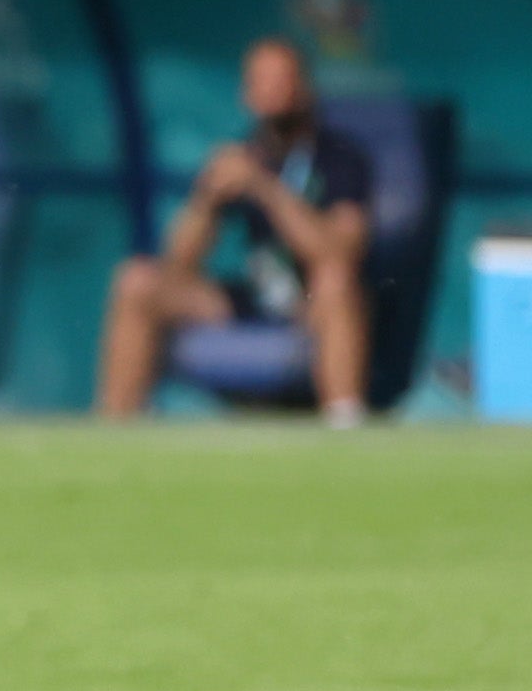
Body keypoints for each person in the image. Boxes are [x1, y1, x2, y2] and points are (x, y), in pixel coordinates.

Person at [97, 35, 377, 421]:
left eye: (282, 81)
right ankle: (116, 423)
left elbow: (338, 252)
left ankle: (345, 421)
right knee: (137, 279)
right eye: (261, 82)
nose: (272, 92)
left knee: (335, 278)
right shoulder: (240, 153)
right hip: (257, 295)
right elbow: (179, 262)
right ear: (246, 94)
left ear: (304, 87)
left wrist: (265, 188)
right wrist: (206, 199)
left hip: (312, 302)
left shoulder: (342, 158)